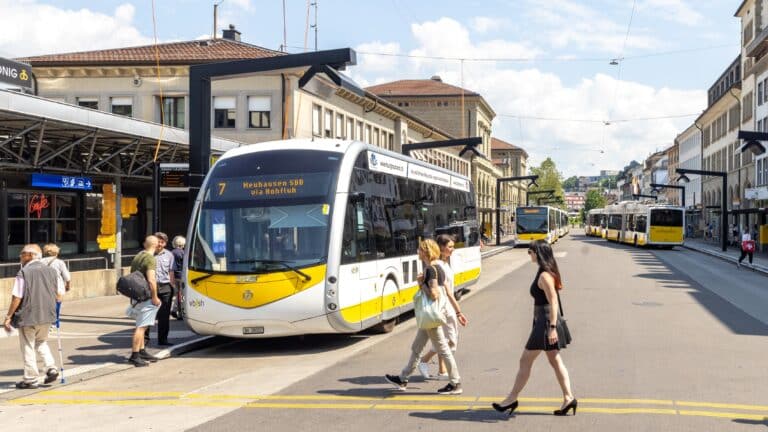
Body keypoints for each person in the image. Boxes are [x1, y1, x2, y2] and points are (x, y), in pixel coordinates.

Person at [492, 240, 576, 416]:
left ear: (538, 253)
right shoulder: (545, 272)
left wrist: (552, 327)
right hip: (543, 322)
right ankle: (569, 398)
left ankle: (511, 398)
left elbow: (553, 301)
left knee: (525, 360)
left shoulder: (545, 275)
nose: (528, 254)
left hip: (546, 323)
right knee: (555, 361)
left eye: (530, 251)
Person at [385, 239, 463, 395]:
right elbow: (444, 291)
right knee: (417, 348)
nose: (417, 252)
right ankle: (403, 378)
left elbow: (434, 294)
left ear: (426, 252)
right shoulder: (437, 268)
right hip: (429, 318)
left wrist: (421, 284)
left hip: (430, 317)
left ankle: (455, 383)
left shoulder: (431, 270)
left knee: (443, 349)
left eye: (420, 250)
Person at [3, 244, 64, 389]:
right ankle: (51, 368)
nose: (20, 257)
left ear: (29, 256)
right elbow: (59, 295)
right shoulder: (51, 271)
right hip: (48, 315)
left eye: (22, 254)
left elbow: (17, 297)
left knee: (28, 347)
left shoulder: (24, 272)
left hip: (28, 315)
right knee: (41, 342)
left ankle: (31, 379)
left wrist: (8, 316)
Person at [417, 234, 468, 380]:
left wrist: (457, 311)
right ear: (441, 247)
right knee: (449, 340)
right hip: (443, 306)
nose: (452, 250)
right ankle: (427, 362)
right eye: (450, 247)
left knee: (446, 339)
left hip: (448, 305)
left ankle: (441, 370)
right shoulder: (438, 266)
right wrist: (458, 312)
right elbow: (442, 291)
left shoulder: (445, 263)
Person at [127, 235, 162, 367]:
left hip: (136, 295)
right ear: (156, 245)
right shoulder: (150, 258)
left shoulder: (139, 255)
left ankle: (141, 351)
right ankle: (134, 355)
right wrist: (155, 296)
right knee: (141, 327)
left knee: (142, 324)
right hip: (145, 295)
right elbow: (151, 280)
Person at [151, 232, 175, 346]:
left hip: (165, 287)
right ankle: (144, 340)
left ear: (165, 243)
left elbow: (171, 272)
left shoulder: (170, 255)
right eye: (158, 241)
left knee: (164, 316)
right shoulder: (148, 254)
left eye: (162, 242)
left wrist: (173, 286)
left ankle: (163, 339)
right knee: (148, 314)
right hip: (151, 286)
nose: (159, 244)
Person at [170, 235, 185, 320]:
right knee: (181, 295)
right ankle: (179, 312)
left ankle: (175, 309)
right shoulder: (183, 253)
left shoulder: (171, 252)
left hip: (173, 275)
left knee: (177, 294)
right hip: (181, 275)